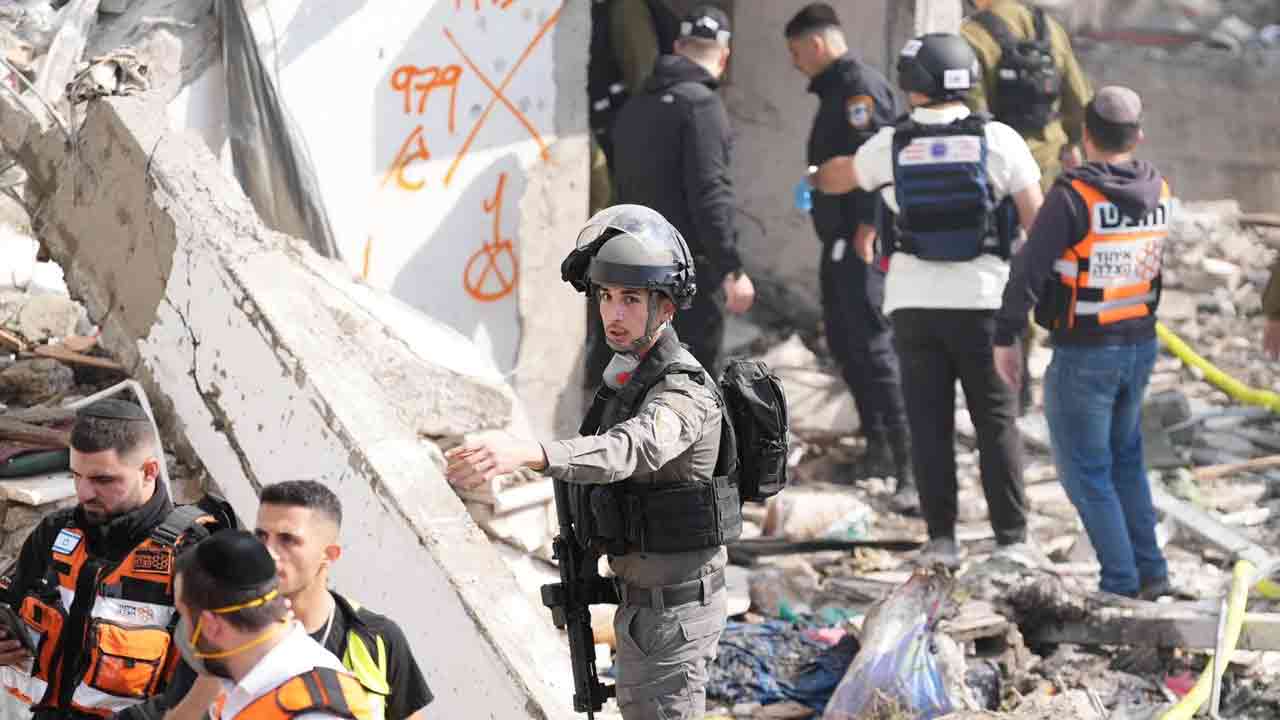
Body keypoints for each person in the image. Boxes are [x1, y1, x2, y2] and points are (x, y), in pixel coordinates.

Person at [445, 204, 735, 719]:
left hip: (676, 615)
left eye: (631, 299)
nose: (613, 313)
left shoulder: (684, 390)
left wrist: (532, 453)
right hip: (644, 609)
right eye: (605, 296)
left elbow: (632, 448)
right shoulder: (630, 378)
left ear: (666, 309)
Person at [807, 33, 1044, 569]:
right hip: (985, 303)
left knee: (929, 423)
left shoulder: (891, 144)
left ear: (913, 85)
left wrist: (816, 176)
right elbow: (1037, 218)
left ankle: (942, 539)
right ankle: (1011, 539)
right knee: (996, 421)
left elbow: (843, 176)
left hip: (914, 306)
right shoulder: (1000, 140)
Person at [992, 86, 1172, 599]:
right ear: (1138, 136)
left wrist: (1006, 337)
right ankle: (1152, 573)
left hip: (1086, 353)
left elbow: (1028, 270)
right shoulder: (1159, 189)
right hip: (1138, 345)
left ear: (1086, 135)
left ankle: (1120, 582)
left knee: (1086, 473)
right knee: (1125, 462)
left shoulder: (1073, 196)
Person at [0, 398, 223, 719]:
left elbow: (202, 688)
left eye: (103, 480)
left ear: (149, 471)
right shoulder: (54, 532)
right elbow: (10, 605)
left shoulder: (194, 556)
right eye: (76, 475)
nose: (83, 493)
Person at [784, 3, 914, 500]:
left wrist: (867, 227)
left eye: (797, 53)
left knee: (876, 350)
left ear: (816, 44)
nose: (796, 64)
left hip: (861, 243)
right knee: (844, 341)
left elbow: (876, 162)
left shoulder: (859, 87)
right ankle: (876, 447)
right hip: (838, 241)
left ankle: (908, 467)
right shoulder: (836, 89)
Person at [611, 5, 755, 374]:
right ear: (724, 56)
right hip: (686, 276)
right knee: (689, 383)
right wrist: (731, 267)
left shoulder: (636, 105)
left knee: (640, 377)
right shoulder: (702, 106)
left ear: (677, 47)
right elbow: (710, 192)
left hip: (634, 266)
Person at [254, 481, 432, 720]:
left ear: (329, 555)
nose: (267, 552)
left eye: (287, 539)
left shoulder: (377, 636)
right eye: (261, 536)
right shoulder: (226, 631)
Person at [171, 529, 371, 719]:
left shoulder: (316, 713)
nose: (184, 631)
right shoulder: (246, 682)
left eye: (184, 615)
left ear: (211, 626)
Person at [961, 0, 1092, 191]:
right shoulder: (1049, 27)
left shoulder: (970, 35)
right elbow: (1078, 98)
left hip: (1002, 172)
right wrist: (1073, 143)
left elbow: (974, 115)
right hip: (1050, 162)